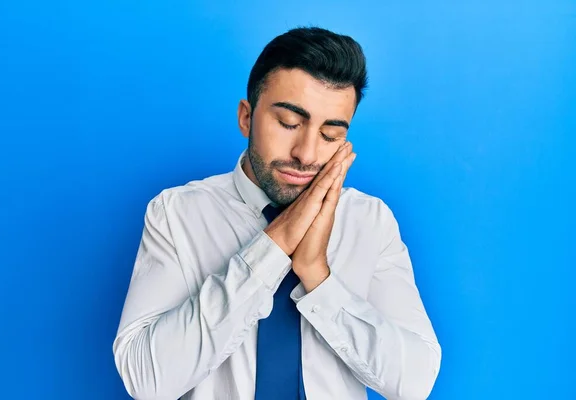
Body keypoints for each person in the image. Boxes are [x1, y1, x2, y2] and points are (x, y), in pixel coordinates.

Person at [113, 26, 441, 400]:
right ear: (246, 117)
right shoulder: (176, 213)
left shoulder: (370, 220)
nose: (307, 154)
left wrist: (317, 275)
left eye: (330, 135)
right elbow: (146, 380)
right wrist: (272, 247)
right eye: (289, 123)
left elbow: (415, 382)